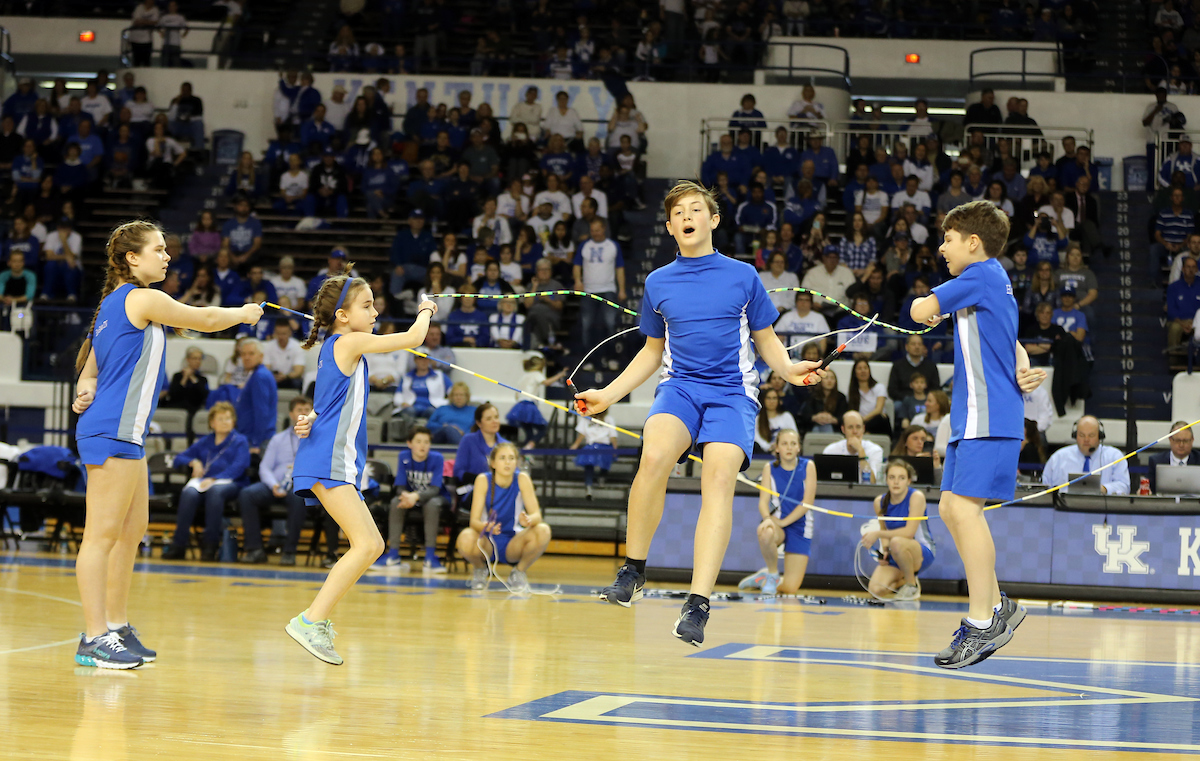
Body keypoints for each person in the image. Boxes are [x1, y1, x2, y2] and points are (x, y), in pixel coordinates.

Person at [575, 180, 827, 646]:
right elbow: (652, 353)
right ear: (671, 227)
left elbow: (767, 342)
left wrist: (790, 371)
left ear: (712, 220)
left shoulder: (742, 276)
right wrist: (608, 394)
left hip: (732, 393)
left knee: (718, 479)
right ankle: (633, 570)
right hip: (680, 389)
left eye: (697, 209)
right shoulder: (657, 282)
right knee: (653, 458)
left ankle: (698, 602)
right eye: (678, 212)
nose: (687, 215)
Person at [71, 220, 261, 669]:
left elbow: (90, 367)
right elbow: (206, 319)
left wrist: (86, 385)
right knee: (99, 537)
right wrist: (243, 313)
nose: (167, 256)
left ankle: (116, 625)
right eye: (159, 249)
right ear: (132, 258)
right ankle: (93, 638)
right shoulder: (141, 297)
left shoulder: (112, 306)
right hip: (111, 430)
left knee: (132, 533)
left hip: (129, 434)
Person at [908, 200, 1048, 668]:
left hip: (988, 417)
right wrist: (1023, 360)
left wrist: (925, 308)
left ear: (973, 242)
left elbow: (920, 308)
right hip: (978, 418)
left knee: (963, 511)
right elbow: (1007, 337)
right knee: (952, 508)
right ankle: (997, 607)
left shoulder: (979, 275)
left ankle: (983, 621)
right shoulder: (988, 283)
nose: (941, 247)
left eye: (948, 240)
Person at [284, 264, 437, 665]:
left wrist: (312, 418)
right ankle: (310, 620)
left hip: (328, 456)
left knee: (371, 544)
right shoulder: (349, 342)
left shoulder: (339, 347)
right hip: (328, 459)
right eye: (368, 306)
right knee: (369, 544)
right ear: (343, 316)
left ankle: (313, 620)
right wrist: (426, 310)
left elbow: (328, 402)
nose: (375, 314)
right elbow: (413, 339)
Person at [238, 396, 337, 566]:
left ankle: (289, 551)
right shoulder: (278, 439)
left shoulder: (321, 438)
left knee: (299, 497)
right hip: (275, 484)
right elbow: (264, 467)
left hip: (302, 486)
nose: (304, 412)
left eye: (307, 409)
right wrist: (273, 485)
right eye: (299, 410)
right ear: (291, 414)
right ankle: (255, 549)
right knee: (247, 494)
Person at [455, 441, 552, 594]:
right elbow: (474, 521)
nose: (507, 462)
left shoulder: (522, 479)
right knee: (465, 537)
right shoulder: (483, 480)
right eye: (502, 458)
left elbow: (537, 515)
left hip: (513, 543)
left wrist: (528, 520)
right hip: (486, 542)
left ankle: (518, 573)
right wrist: (485, 527)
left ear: (517, 462)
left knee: (543, 530)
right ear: (493, 463)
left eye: (512, 458)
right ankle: (480, 570)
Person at [162, 402, 250, 561]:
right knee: (188, 493)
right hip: (204, 483)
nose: (225, 422)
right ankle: (179, 545)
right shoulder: (206, 441)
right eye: (221, 419)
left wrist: (214, 478)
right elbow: (179, 458)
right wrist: (194, 462)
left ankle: (210, 545)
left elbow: (240, 466)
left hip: (230, 483)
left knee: (215, 493)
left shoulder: (240, 441)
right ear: (212, 423)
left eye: (229, 418)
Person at [747, 429, 815, 596]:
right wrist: (767, 519)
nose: (789, 448)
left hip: (801, 525)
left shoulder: (808, 466)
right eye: (784, 444)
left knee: (790, 589)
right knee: (764, 531)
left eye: (793, 444)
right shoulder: (769, 468)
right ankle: (772, 573)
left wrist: (784, 522)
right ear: (777, 448)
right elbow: (763, 502)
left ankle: (763, 579)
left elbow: (807, 503)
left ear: (799, 447)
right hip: (777, 522)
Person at [376, 425, 449, 572]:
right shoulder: (404, 456)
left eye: (426, 442)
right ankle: (393, 554)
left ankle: (430, 557)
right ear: (410, 443)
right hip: (409, 498)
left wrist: (415, 496)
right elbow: (399, 486)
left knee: (432, 504)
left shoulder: (437, 458)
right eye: (419, 441)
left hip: (435, 498)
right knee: (395, 502)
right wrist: (406, 497)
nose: (423, 445)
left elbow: (435, 489)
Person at [862, 460, 934, 600]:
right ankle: (906, 582)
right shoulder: (880, 502)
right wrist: (885, 551)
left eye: (901, 478)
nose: (896, 482)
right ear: (886, 480)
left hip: (921, 551)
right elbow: (884, 529)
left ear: (908, 481)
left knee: (897, 542)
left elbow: (909, 533)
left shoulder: (916, 497)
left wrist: (876, 534)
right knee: (875, 590)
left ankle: (911, 586)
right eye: (892, 477)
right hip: (896, 552)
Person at [573, 218, 626, 367]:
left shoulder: (613, 246)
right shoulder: (584, 245)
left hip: (608, 289)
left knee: (610, 324)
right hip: (588, 291)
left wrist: (621, 289)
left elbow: (620, 268)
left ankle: (611, 358)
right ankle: (588, 360)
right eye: (592, 230)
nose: (594, 233)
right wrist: (578, 281)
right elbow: (577, 265)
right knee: (586, 325)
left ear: (603, 229)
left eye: (597, 230)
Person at [1041, 416, 1130, 495]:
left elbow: (1124, 487)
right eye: (1082, 435)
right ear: (1075, 435)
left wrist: (1104, 489)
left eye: (1091, 435)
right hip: (1065, 510)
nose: (1086, 440)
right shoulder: (1058, 458)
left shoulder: (1114, 457)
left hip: (1102, 509)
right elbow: (1044, 488)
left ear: (1100, 436)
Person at [506, 354, 566, 449]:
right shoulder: (536, 374)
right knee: (543, 429)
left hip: (520, 406)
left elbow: (517, 395)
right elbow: (547, 382)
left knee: (529, 433)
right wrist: (560, 375)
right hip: (529, 405)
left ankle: (525, 450)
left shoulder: (524, 376)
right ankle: (530, 446)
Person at [570, 409, 617, 499]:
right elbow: (582, 434)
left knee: (605, 459)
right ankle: (588, 485)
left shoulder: (608, 419)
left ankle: (602, 477)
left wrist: (615, 448)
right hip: (591, 445)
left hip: (604, 445)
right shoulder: (585, 419)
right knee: (588, 461)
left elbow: (613, 435)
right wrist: (576, 445)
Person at [1148, 421, 1199, 493]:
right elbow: (1149, 488)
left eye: (1185, 441)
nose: (1181, 445)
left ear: (1192, 440)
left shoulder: (1198, 460)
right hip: (1164, 503)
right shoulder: (1156, 461)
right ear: (1170, 439)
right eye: (1177, 440)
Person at [774, 291, 831, 356]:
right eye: (800, 300)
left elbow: (823, 341)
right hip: (789, 355)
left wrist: (820, 357)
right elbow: (779, 338)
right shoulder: (787, 316)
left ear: (811, 303)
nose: (803, 303)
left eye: (806, 300)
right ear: (796, 302)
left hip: (810, 356)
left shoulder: (819, 318)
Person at [801, 369, 848, 433]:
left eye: (832, 378)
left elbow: (843, 416)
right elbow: (805, 415)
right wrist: (816, 417)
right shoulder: (813, 396)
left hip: (835, 429)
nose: (829, 381)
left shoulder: (841, 397)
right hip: (814, 426)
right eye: (826, 378)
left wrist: (832, 419)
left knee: (827, 427)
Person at [753, 387, 797, 454]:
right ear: (763, 400)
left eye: (774, 398)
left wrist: (779, 447)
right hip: (763, 453)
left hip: (784, 452)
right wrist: (769, 447)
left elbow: (794, 435)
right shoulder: (757, 419)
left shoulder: (787, 416)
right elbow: (756, 438)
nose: (772, 401)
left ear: (779, 400)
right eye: (768, 398)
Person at [263, 320, 306, 389]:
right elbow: (266, 368)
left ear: (290, 333)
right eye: (278, 333)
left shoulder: (297, 346)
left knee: (297, 382)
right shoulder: (268, 346)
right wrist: (273, 376)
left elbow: (298, 371)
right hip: (273, 377)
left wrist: (285, 376)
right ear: (274, 333)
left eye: (284, 334)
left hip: (289, 378)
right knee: (263, 380)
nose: (281, 337)